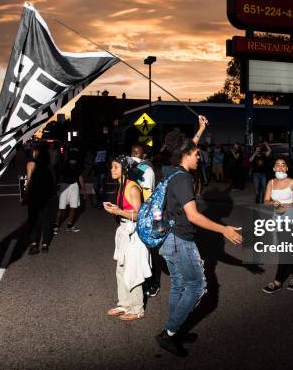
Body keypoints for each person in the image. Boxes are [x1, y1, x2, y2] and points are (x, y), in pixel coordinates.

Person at [155, 117, 242, 358]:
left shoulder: (171, 170)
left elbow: (188, 146)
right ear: (186, 156)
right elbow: (193, 216)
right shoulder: (182, 179)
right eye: (197, 154)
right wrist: (224, 230)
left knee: (179, 285)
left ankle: (175, 329)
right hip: (181, 239)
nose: (199, 157)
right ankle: (170, 333)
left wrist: (200, 129)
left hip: (168, 237)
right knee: (197, 286)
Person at [103, 155, 151, 322]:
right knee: (121, 269)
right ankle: (124, 304)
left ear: (124, 170)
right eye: (112, 167)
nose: (112, 170)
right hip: (124, 231)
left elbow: (140, 215)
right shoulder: (121, 185)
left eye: (115, 167)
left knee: (133, 271)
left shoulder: (132, 188)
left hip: (134, 234)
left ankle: (137, 309)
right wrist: (117, 209)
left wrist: (119, 212)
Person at [262, 157, 293, 293]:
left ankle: (277, 282)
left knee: (285, 250)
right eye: (278, 165)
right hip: (277, 218)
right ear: (274, 168)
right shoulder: (270, 183)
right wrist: (272, 203)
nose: (280, 167)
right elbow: (266, 201)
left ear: (286, 168)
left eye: (283, 165)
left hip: (290, 218)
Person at [131, 143, 160, 298]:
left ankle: (154, 283)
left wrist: (146, 218)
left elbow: (148, 196)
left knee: (151, 250)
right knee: (143, 251)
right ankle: (144, 280)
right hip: (138, 213)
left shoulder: (147, 170)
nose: (134, 155)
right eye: (132, 152)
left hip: (148, 214)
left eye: (137, 153)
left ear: (143, 156)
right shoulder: (134, 167)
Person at [23, 144, 56, 254]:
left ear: (36, 153)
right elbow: (53, 181)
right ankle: (45, 244)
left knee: (34, 219)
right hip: (48, 196)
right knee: (47, 220)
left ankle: (34, 244)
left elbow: (29, 181)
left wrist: (25, 195)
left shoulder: (31, 164)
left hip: (34, 196)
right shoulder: (48, 165)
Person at [54, 148, 85, 234]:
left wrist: (57, 186)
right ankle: (66, 226)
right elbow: (80, 177)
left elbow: (61, 175)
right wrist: (84, 190)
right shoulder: (75, 164)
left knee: (63, 207)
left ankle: (58, 226)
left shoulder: (65, 164)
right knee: (71, 207)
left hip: (66, 185)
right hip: (71, 186)